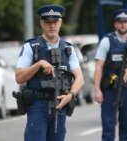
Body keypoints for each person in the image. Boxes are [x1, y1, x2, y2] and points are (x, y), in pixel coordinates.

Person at [15, 4, 84, 141]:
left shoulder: (68, 49)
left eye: (55, 22)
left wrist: (70, 95)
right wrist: (39, 64)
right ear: (42, 23)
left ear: (60, 23)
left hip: (60, 104)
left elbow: (79, 78)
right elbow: (19, 77)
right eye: (48, 22)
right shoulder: (31, 47)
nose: (52, 26)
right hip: (37, 106)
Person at [94, 9, 127, 141]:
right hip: (109, 89)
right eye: (120, 22)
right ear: (115, 24)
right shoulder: (107, 41)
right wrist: (97, 89)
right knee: (108, 126)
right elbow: (99, 66)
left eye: (126, 21)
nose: (123, 24)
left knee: (126, 125)